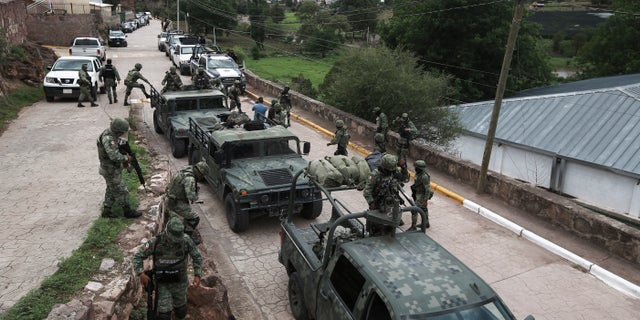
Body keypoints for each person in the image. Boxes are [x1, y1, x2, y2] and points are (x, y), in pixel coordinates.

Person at [133, 217, 203, 320]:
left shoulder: (186, 241)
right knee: (164, 316)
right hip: (162, 285)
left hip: (180, 283)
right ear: (167, 232)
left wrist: (197, 275)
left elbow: (197, 257)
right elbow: (138, 256)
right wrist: (141, 274)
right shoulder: (155, 242)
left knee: (181, 311)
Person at [97, 118, 142, 218]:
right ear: (118, 130)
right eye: (122, 132)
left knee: (111, 190)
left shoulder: (112, 135)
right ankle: (128, 212)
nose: (123, 134)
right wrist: (127, 158)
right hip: (110, 170)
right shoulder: (108, 139)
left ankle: (106, 211)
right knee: (122, 191)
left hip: (111, 169)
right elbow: (114, 156)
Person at [363, 154, 409, 234]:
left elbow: (405, 179)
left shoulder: (393, 171)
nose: (390, 172)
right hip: (378, 204)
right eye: (388, 171)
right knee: (376, 228)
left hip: (391, 203)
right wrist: (371, 202)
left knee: (391, 227)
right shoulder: (375, 175)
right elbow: (367, 190)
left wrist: (404, 168)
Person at [164, 161, 208, 244]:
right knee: (195, 218)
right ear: (200, 172)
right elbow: (191, 197)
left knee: (188, 213)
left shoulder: (187, 170)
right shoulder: (190, 179)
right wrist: (196, 195)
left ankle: (184, 231)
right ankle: (187, 238)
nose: (202, 177)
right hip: (175, 202)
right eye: (202, 175)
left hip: (171, 197)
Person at [410, 160, 434, 230]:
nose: (415, 168)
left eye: (416, 167)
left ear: (419, 168)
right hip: (418, 193)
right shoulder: (418, 174)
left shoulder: (424, 177)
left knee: (414, 210)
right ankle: (426, 223)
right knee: (424, 209)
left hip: (421, 195)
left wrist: (425, 200)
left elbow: (427, 189)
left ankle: (413, 227)